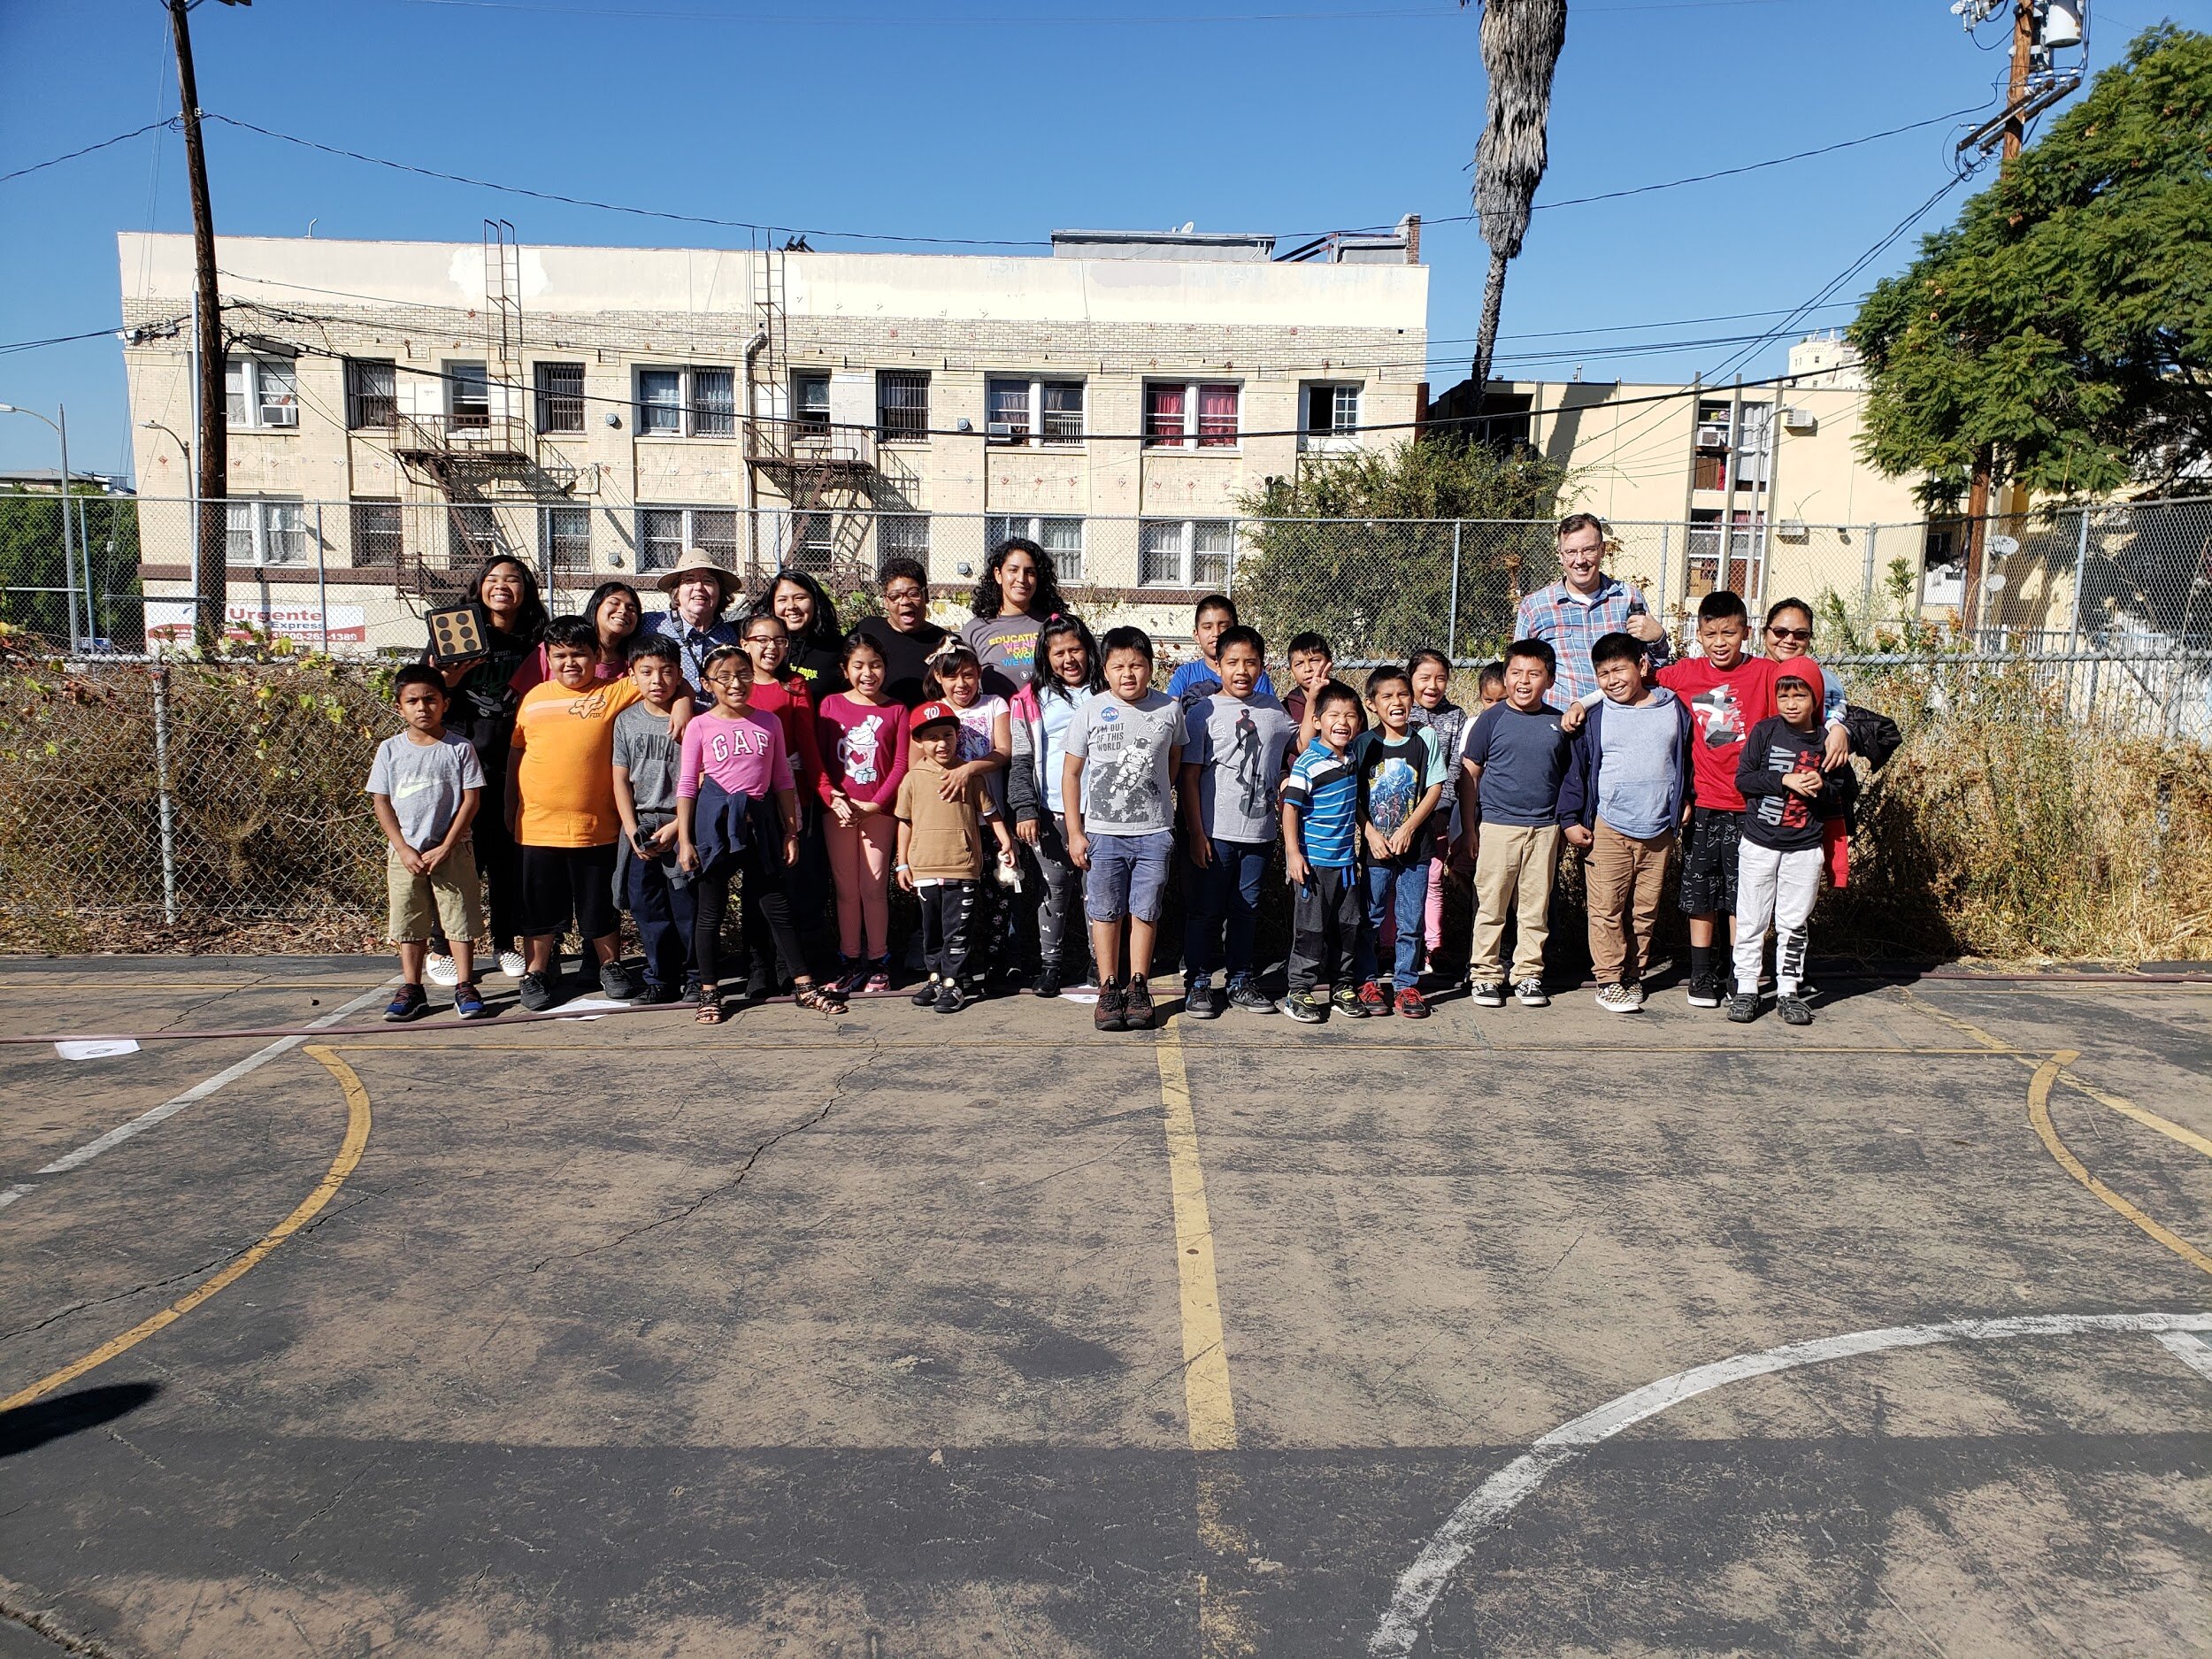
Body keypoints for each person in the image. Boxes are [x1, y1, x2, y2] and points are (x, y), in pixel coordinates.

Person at [676, 646, 844, 1023]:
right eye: (724, 677)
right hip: (715, 827)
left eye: (743, 675)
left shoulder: (768, 722)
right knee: (710, 913)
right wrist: (685, 840)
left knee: (777, 907)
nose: (736, 684)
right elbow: (687, 784)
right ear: (707, 684)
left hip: (761, 824)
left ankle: (804, 984)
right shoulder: (700, 726)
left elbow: (782, 780)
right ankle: (709, 991)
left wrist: (791, 831)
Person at [506, 616, 644, 1011]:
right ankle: (536, 972)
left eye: (579, 655)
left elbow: (668, 682)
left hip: (597, 828)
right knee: (539, 910)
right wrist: (508, 803)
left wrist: (684, 707)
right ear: (547, 658)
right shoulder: (533, 699)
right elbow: (518, 753)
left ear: (596, 655)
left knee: (599, 906)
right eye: (560, 655)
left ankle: (610, 966)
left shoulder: (614, 692)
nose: (570, 663)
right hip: (536, 827)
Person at [1555, 631, 1695, 1013]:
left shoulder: (1674, 709)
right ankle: (1609, 978)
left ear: (1643, 666)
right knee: (1606, 907)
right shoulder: (1595, 716)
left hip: (1659, 825)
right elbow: (1577, 771)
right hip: (1609, 825)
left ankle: (1634, 974)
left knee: (1645, 908)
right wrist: (1569, 818)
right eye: (1603, 674)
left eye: (1620, 669)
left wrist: (1687, 799)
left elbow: (1687, 761)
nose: (1612, 680)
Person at [424, 553, 546, 988]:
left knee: (507, 857)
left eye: (513, 580)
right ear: (478, 586)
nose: (502, 586)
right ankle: (443, 945)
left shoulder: (537, 642)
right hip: (460, 766)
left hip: (516, 764)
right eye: (492, 579)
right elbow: (426, 699)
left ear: (526, 590)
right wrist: (451, 683)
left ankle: (504, 941)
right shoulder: (456, 634)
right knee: (459, 860)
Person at [1064, 626, 1186, 1033]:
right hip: (1102, 832)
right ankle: (1108, 987)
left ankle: (1138, 986)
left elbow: (1172, 764)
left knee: (1145, 910)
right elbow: (1072, 774)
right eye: (1118, 666)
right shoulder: (1091, 710)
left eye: (1136, 665)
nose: (1128, 674)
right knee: (1105, 912)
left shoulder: (1170, 709)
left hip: (1154, 832)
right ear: (1105, 669)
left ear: (1151, 667)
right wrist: (1076, 832)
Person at [1179, 625, 1295, 1019]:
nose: (1242, 670)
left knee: (1247, 908)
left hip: (1260, 833)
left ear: (1262, 666)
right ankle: (1197, 983)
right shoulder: (1203, 713)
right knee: (1207, 910)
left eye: (1250, 662)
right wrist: (1196, 832)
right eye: (1232, 662)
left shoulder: (1273, 711)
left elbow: (1304, 739)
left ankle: (1241, 980)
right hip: (1215, 834)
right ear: (1218, 665)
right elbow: (1189, 778)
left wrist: (1314, 694)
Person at [366, 665, 488, 1022]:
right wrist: (403, 848)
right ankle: (412, 988)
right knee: (409, 920)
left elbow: (470, 801)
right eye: (413, 701)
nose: (423, 707)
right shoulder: (390, 750)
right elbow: (381, 802)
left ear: (445, 703)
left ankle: (465, 985)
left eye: (430, 699)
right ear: (400, 707)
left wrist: (447, 845)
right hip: (405, 855)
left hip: (452, 851)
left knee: (460, 917)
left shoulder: (459, 748)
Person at [1731, 664, 1849, 1027]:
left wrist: (1821, 785)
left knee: (1794, 923)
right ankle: (1747, 987)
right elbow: (1744, 780)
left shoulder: (1827, 741)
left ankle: (1788, 991)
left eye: (1800, 695)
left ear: (1816, 698)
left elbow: (1840, 791)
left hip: (1804, 846)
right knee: (1751, 919)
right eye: (1784, 695)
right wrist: (1784, 779)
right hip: (1759, 842)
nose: (1791, 703)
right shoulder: (1765, 731)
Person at [1456, 640, 1572, 1009]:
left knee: (1535, 907)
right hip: (1497, 827)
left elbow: (1568, 776)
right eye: (1516, 673)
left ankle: (1527, 974)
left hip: (1544, 828)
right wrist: (1471, 829)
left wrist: (1563, 826)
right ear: (1505, 677)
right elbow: (1469, 773)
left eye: (1534, 674)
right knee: (1491, 904)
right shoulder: (1492, 719)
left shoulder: (1558, 722)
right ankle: (1485, 975)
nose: (1524, 682)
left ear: (1549, 680)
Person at [896, 700, 1016, 1014]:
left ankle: (955, 983)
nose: (941, 743)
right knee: (932, 928)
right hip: (924, 868)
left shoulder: (969, 776)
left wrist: (1006, 843)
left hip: (962, 867)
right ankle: (935, 978)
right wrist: (903, 862)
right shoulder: (912, 779)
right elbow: (905, 822)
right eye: (932, 737)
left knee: (958, 929)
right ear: (919, 742)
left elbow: (991, 814)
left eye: (947, 735)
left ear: (956, 737)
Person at [737, 611, 832, 1000]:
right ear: (745, 645)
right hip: (749, 804)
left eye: (778, 640)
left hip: (794, 800)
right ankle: (758, 966)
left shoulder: (795, 687)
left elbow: (808, 745)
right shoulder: (735, 688)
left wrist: (825, 791)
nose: (770, 647)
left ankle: (790, 967)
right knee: (757, 890)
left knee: (797, 886)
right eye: (761, 640)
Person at [1008, 613, 1102, 999]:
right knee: (1054, 891)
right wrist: (1025, 808)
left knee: (1097, 892)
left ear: (1089, 651)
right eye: (1058, 652)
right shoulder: (1029, 700)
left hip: (1100, 812)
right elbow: (1021, 759)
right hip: (1050, 812)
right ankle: (1051, 965)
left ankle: (1102, 964)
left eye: (1076, 649)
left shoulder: (1107, 690)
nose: (1068, 659)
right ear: (1045, 658)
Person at [1351, 664, 1448, 1018]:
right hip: (1376, 849)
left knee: (1411, 919)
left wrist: (1409, 828)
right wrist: (1370, 832)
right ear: (1372, 703)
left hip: (1416, 850)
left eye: (1403, 694)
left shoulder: (1425, 738)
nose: (1397, 702)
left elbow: (1435, 786)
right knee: (1371, 917)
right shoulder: (1363, 744)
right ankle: (1368, 980)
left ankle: (1407, 985)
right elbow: (1356, 797)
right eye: (1387, 696)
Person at [816, 632, 909, 995]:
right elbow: (819, 760)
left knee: (873, 888)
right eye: (859, 666)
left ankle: (879, 960)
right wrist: (831, 798)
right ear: (845, 669)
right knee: (845, 890)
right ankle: (850, 959)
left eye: (875, 665)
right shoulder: (830, 706)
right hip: (837, 812)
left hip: (878, 812)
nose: (868, 673)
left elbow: (900, 765)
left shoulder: (896, 709)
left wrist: (875, 804)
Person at [923, 636, 1018, 989]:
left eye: (968, 675)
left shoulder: (995, 704)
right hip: (950, 825)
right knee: (953, 903)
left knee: (998, 895)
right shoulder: (934, 711)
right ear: (939, 677)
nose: (961, 684)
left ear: (979, 674)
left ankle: (998, 965)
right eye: (952, 677)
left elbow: (1004, 750)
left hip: (991, 818)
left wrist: (968, 770)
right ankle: (954, 971)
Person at [611, 635, 695, 1005]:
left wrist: (679, 826)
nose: (656, 680)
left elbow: (703, 777)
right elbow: (619, 778)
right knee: (648, 908)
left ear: (679, 674)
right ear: (632, 675)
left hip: (682, 825)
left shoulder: (695, 719)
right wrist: (630, 830)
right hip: (641, 827)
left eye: (666, 672)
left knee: (687, 906)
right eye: (646, 672)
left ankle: (697, 978)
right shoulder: (625, 721)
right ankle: (660, 978)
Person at [1279, 680, 1368, 1025]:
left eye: (1350, 715)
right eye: (1333, 715)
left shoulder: (1353, 758)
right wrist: (1293, 854)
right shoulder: (1307, 763)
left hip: (1346, 863)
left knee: (1348, 926)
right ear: (1317, 721)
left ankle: (1343, 986)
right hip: (1314, 865)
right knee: (1311, 930)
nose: (1342, 722)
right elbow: (1291, 809)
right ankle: (1298, 990)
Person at [1514, 513, 1672, 705]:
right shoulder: (1535, 606)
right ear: (1560, 554)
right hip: (1560, 721)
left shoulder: (1628, 598)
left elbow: (1651, 667)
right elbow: (1518, 671)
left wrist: (1658, 638)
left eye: (1588, 550)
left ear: (1602, 550)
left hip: (1616, 718)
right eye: (1571, 552)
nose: (1580, 560)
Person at [1406, 648, 1468, 974]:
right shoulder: (1400, 709)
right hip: (1401, 812)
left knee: (1432, 878)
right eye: (1425, 678)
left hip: (1440, 809)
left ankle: (1434, 945)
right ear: (1410, 678)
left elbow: (1455, 765)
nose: (1432, 685)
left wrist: (1441, 802)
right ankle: (1391, 943)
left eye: (1440, 678)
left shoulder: (1455, 716)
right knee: (1398, 879)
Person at [962, 536, 1068, 696]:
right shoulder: (974, 630)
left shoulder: (1055, 624)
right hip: (999, 720)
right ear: (998, 574)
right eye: (1013, 570)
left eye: (1030, 572)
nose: (1022, 579)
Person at [511, 580, 644, 695]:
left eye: (631, 608)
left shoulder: (635, 663)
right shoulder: (555, 648)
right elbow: (524, 698)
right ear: (595, 606)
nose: (623, 611)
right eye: (614, 603)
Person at [641, 551, 743, 693]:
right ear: (676, 591)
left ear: (720, 592)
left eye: (708, 581)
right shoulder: (650, 625)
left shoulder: (732, 636)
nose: (699, 587)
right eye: (689, 580)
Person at [854, 557, 949, 707]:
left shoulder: (945, 644)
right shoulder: (867, 630)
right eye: (895, 596)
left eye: (913, 593)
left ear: (926, 596)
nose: (905, 601)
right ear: (885, 601)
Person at [1165, 594, 1278, 705]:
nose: (1216, 633)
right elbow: (1171, 713)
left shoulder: (1253, 675)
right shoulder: (1185, 674)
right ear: (1196, 635)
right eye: (1208, 627)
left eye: (1223, 626)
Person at [764, 569, 849, 697]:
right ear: (772, 606)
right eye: (782, 600)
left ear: (815, 602)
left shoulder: (838, 648)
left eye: (800, 598)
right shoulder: (760, 647)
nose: (791, 606)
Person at [1285, 630, 1363, 750]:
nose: (1308, 669)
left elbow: (1359, 740)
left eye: (1314, 660)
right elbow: (1297, 750)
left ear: (1329, 663)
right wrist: (1312, 699)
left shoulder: (1346, 698)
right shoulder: (1287, 706)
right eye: (1299, 663)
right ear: (1292, 672)